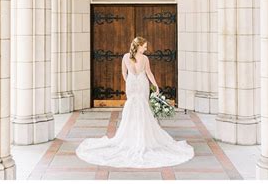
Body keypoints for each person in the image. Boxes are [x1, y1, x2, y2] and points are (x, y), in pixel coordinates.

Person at [75, 36, 194, 168]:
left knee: (133, 105)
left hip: (131, 83)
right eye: (145, 46)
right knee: (142, 106)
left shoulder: (126, 57)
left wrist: (129, 82)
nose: (146, 49)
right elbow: (149, 73)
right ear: (139, 46)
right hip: (142, 83)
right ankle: (141, 134)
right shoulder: (144, 59)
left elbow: (123, 73)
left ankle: (132, 134)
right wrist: (156, 86)